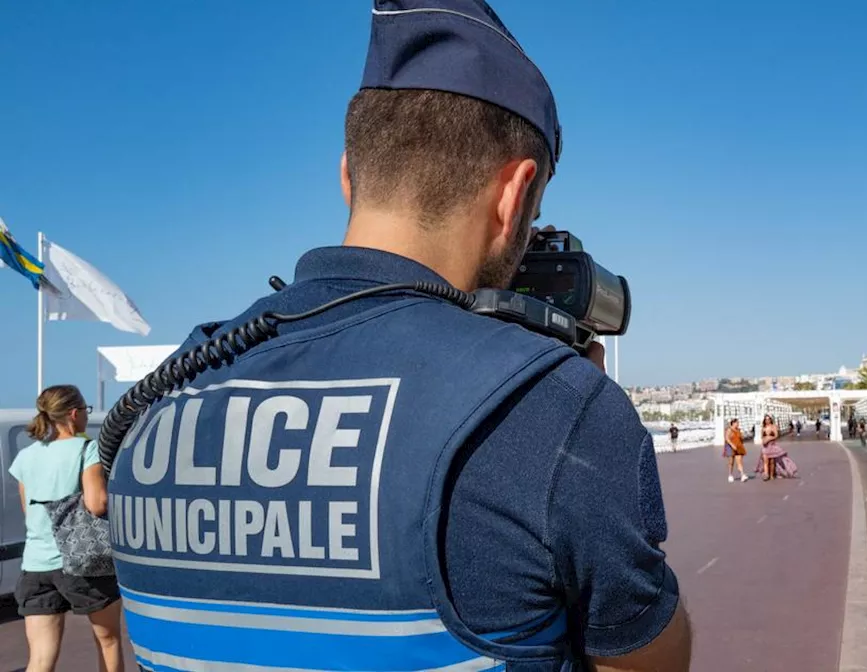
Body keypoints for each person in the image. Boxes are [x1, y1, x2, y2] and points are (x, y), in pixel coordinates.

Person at [105, 3, 691, 671]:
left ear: (349, 174)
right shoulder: (551, 408)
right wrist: (572, 408)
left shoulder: (164, 393)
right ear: (515, 194)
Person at [9, 385, 123, 672]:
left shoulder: (26, 456)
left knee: (40, 658)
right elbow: (97, 504)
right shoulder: (88, 448)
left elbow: (28, 510)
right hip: (82, 563)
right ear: (74, 414)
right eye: (86, 410)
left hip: (35, 566)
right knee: (108, 641)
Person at [756, 415, 799, 480]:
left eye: (768, 419)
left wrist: (769, 438)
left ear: (770, 420)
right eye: (766, 419)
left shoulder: (773, 427)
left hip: (772, 446)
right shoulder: (763, 428)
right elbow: (762, 437)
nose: (767, 421)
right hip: (765, 447)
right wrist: (764, 440)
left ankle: (771, 475)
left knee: (772, 462)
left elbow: (776, 436)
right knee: (765, 461)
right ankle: (766, 475)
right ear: (764, 420)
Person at [725, 418, 748, 482]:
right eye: (737, 423)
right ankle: (730, 475)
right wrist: (732, 445)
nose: (738, 424)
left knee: (739, 462)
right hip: (730, 447)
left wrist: (742, 436)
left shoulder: (738, 430)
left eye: (738, 423)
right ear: (733, 423)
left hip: (738, 446)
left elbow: (741, 438)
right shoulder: (729, 430)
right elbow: (727, 438)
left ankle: (742, 475)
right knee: (731, 462)